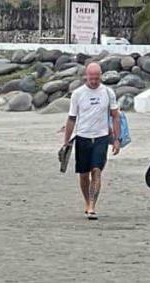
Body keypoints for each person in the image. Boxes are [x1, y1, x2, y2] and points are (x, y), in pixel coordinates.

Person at [62, 62, 121, 220]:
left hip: (101, 137)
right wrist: (66, 141)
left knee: (97, 171)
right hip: (82, 137)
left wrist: (117, 139)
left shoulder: (108, 92)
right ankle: (87, 201)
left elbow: (116, 116)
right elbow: (71, 118)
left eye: (97, 78)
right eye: (91, 78)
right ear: (86, 76)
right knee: (83, 174)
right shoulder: (78, 94)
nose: (94, 81)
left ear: (101, 75)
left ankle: (92, 206)